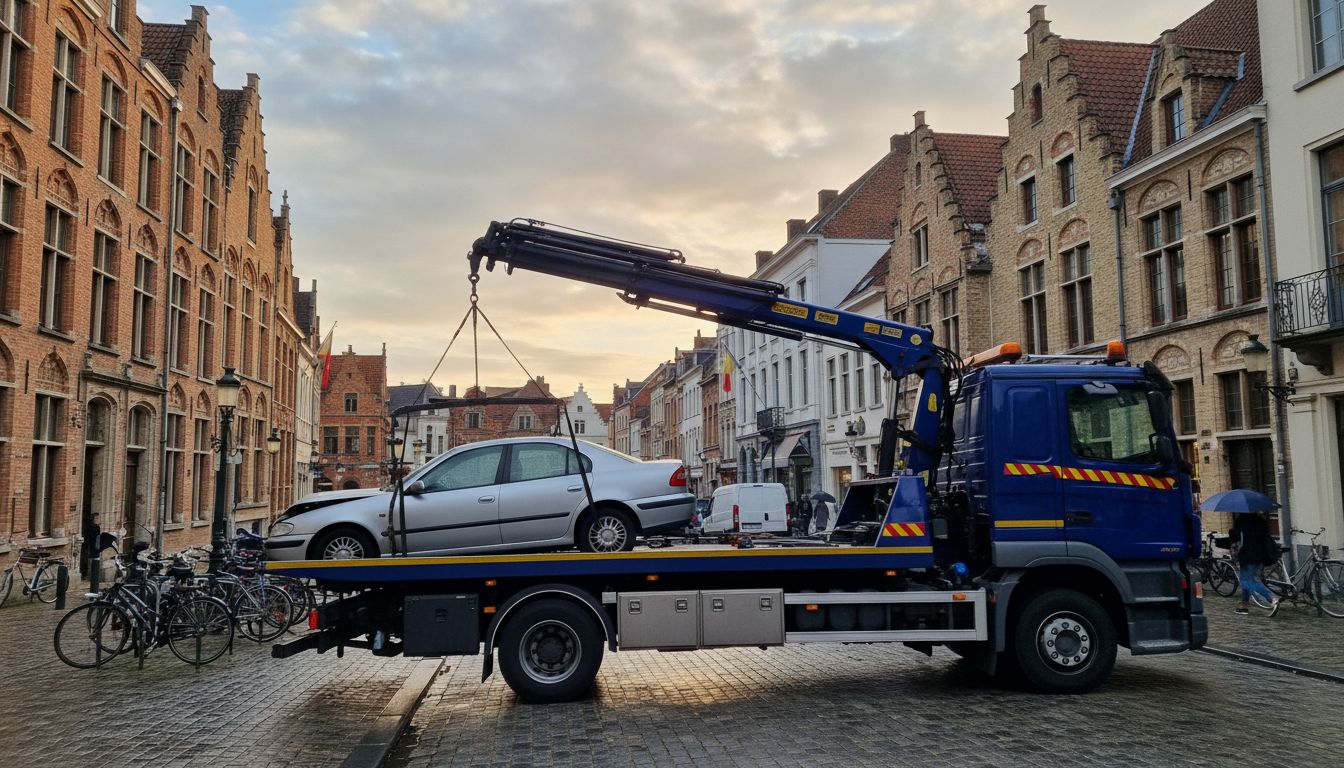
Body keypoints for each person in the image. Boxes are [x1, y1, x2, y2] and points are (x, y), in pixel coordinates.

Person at [1229, 509, 1279, 615]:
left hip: (1247, 556)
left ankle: (1271, 598)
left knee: (1246, 581)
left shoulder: (1241, 521)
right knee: (1248, 579)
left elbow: (1235, 537)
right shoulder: (1261, 520)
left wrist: (1232, 532)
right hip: (1261, 555)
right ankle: (1244, 606)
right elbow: (1266, 536)